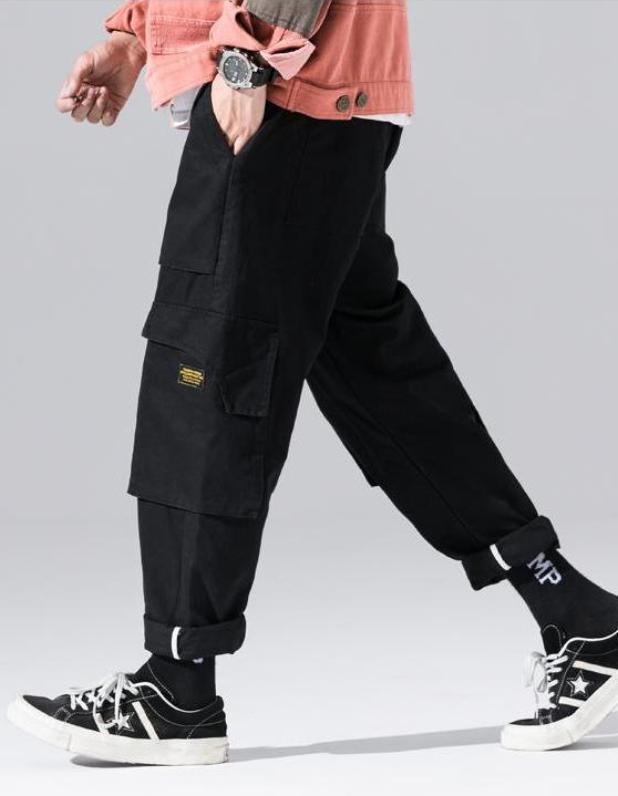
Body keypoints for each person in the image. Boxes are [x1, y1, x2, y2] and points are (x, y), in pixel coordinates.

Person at [7, 0, 618, 764]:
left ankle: (176, 686)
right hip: (321, 94)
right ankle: (577, 610)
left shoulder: (263, 63)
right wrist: (139, 38)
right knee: (377, 376)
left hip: (286, 84)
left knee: (206, 370)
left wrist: (249, 55)